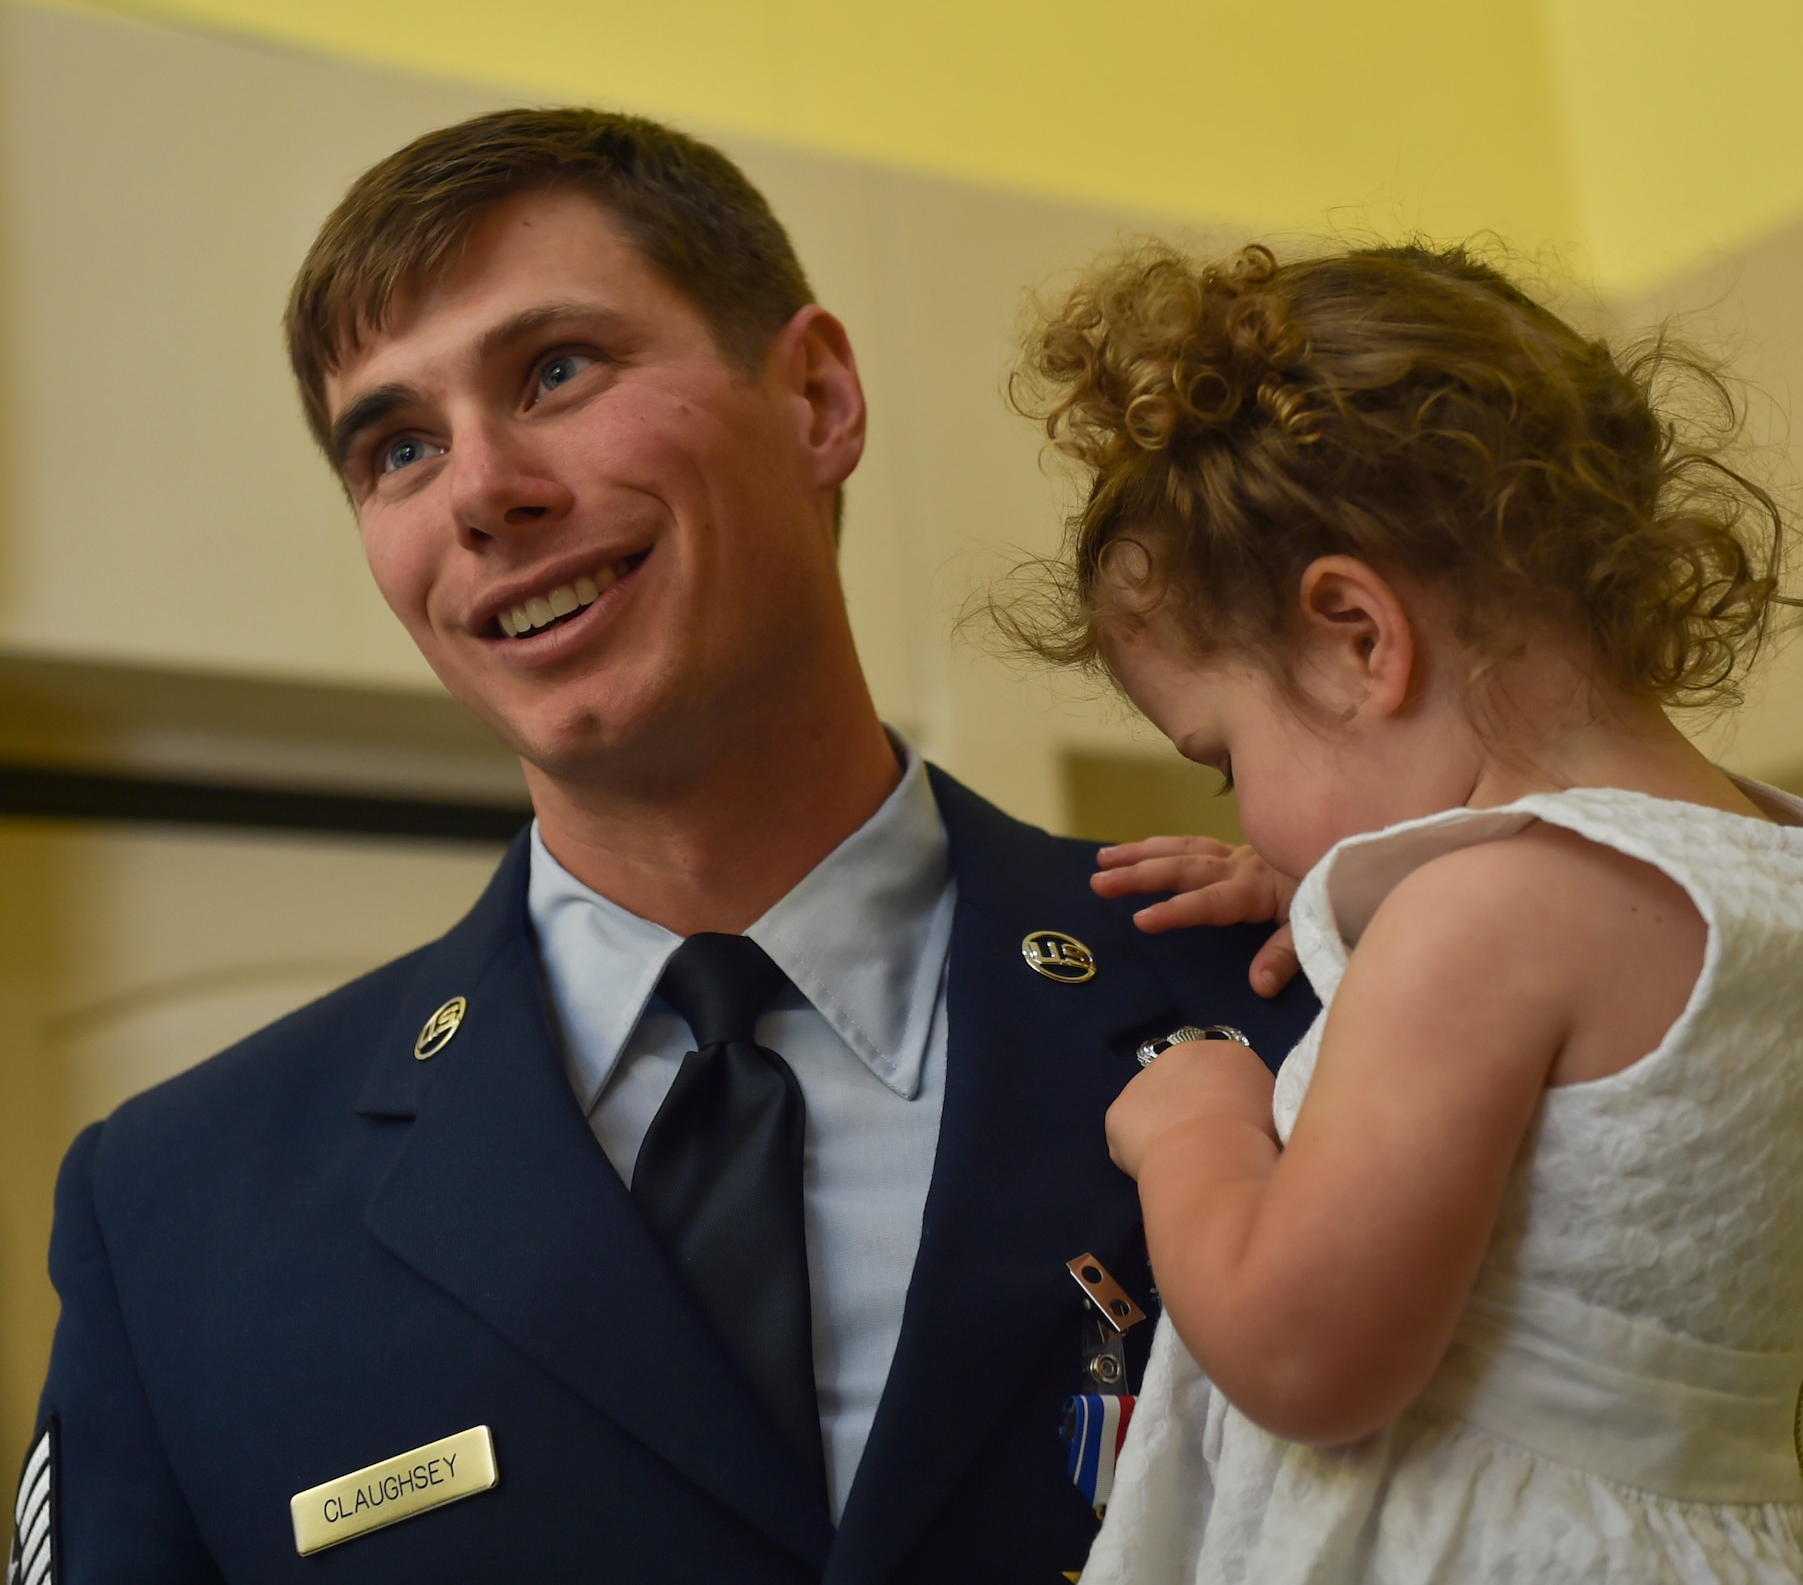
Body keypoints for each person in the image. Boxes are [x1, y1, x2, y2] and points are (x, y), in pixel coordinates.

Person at [8, 110, 1313, 1583]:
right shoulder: (176, 1208)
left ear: (816, 396)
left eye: (556, 370)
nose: (482, 490)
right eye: (398, 445)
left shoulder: (1290, 991)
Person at [999, 239, 1803, 1582]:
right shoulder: (1801, 876)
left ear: (1356, 637)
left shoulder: (1481, 922)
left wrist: (1196, 1129)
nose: (1240, 817)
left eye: (1225, 760)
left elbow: (1299, 1348)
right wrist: (1339, 893)